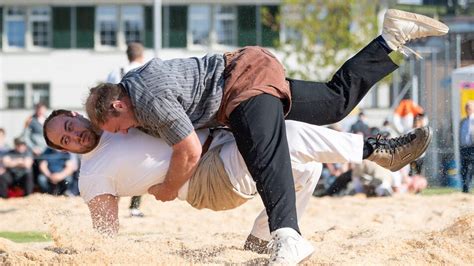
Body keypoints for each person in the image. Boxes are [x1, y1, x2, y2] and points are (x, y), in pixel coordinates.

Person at [84, 9, 447, 263]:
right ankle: (390, 37)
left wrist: (166, 189)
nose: (127, 132)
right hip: (249, 68)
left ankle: (287, 235)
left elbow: (189, 150)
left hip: (239, 84)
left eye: (120, 127)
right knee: (334, 104)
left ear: (117, 106)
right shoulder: (134, 84)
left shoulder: (146, 101)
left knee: (266, 154)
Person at [43, 110, 430, 254]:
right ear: (65, 150)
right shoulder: (91, 176)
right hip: (205, 180)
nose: (73, 135)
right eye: (64, 140)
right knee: (288, 136)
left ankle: (263, 237)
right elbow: (104, 236)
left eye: (69, 125)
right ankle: (378, 149)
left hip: (222, 144)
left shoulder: (114, 119)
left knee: (305, 168)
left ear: (76, 115)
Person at [107, 42, 147, 217]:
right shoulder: (145, 68)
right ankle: (134, 206)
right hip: (141, 122)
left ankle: (113, 201)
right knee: (141, 164)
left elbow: (105, 97)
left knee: (117, 164)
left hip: (118, 122)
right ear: (141, 55)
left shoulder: (116, 71)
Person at [460, 101, 474, 193]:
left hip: (472, 147)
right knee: (464, 169)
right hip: (464, 148)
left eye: (469, 107)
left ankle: (468, 186)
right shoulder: (463, 121)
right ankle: (465, 188)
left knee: (471, 168)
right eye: (466, 107)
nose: (467, 109)